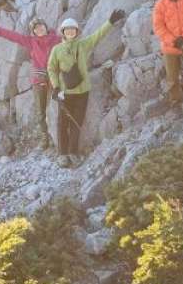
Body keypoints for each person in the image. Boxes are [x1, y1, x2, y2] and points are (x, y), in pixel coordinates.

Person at [47, 10, 125, 167]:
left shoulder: (83, 44)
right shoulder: (57, 50)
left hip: (82, 92)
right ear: (63, 32)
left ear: (77, 32)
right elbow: (51, 69)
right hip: (64, 93)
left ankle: (73, 152)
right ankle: (62, 154)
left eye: (73, 30)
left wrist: (110, 22)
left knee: (77, 123)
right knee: (62, 124)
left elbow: (98, 35)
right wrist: (55, 86)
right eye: (67, 30)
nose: (70, 32)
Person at [0, 16, 60, 148]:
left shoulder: (56, 39)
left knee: (55, 105)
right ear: (33, 32)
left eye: (40, 26)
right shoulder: (31, 42)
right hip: (39, 79)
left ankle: (58, 134)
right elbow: (13, 36)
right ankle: (44, 137)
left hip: (54, 77)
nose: (39, 29)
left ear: (45, 26)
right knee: (40, 111)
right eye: (35, 28)